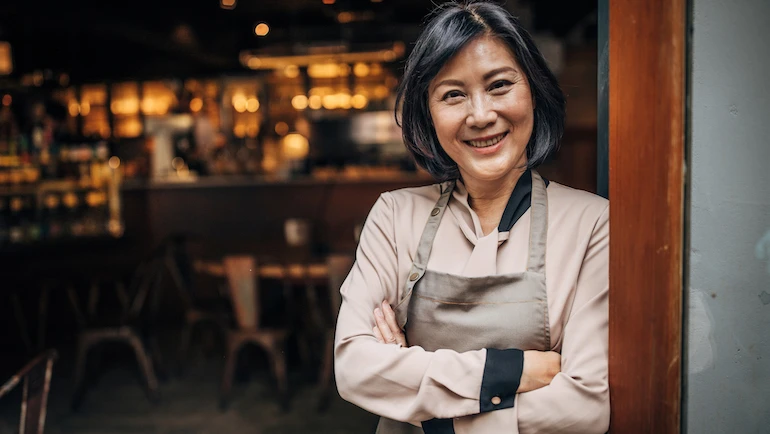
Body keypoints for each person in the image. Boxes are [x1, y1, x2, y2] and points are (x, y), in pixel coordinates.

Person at [333, 1, 610, 433]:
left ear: (533, 92)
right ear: (428, 114)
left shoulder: (592, 223)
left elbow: (585, 406)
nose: (480, 115)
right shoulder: (394, 215)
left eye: (499, 85)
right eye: (453, 94)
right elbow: (355, 367)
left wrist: (427, 406)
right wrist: (514, 372)